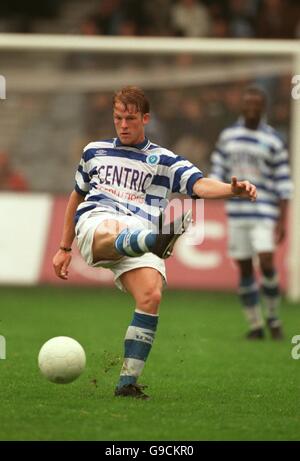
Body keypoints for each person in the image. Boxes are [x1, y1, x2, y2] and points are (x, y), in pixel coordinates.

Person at [53, 86, 256, 399]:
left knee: (151, 295)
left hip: (139, 233)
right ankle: (154, 240)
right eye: (118, 118)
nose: (123, 124)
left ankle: (126, 384)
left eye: (130, 118)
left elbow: (199, 185)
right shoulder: (94, 152)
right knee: (111, 229)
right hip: (98, 220)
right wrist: (64, 248)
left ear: (145, 118)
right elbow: (76, 196)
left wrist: (233, 190)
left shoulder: (164, 159)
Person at [210, 86, 293, 340]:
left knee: (267, 262)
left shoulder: (274, 140)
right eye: (248, 104)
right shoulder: (228, 137)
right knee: (245, 269)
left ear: (263, 108)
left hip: (264, 211)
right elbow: (217, 170)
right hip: (237, 213)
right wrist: (213, 190)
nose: (252, 109)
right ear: (242, 107)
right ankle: (256, 325)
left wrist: (282, 220)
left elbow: (283, 182)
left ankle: (273, 318)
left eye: (257, 105)